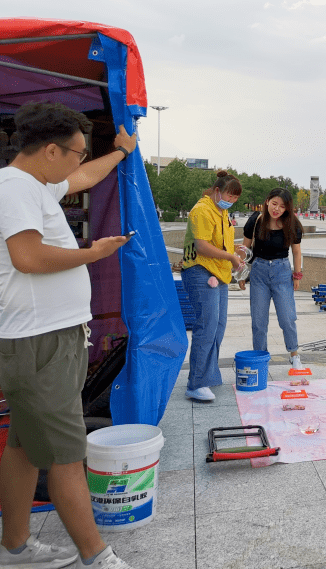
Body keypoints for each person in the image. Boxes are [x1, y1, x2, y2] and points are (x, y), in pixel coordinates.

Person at [0, 102, 136, 568]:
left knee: (23, 447)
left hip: (44, 338)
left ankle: (14, 546)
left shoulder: (34, 183)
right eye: (77, 152)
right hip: (39, 341)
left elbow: (82, 180)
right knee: (65, 454)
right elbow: (29, 257)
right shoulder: (15, 188)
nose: (80, 160)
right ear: (51, 150)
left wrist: (119, 153)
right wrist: (93, 253)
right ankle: (96, 556)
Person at [181, 170, 243, 401]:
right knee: (206, 326)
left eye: (236, 198)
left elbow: (221, 244)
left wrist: (235, 252)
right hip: (201, 271)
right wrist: (230, 258)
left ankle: (208, 375)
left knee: (218, 326)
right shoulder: (202, 210)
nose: (232, 201)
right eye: (229, 195)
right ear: (217, 191)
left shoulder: (222, 212)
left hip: (220, 273)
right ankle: (195, 383)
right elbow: (202, 246)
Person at [241, 187, 304, 369]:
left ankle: (294, 355)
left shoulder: (291, 224)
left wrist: (297, 275)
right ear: (267, 201)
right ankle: (261, 358)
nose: (276, 209)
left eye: (282, 206)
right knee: (259, 321)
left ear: (287, 209)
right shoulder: (255, 220)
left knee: (287, 318)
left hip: (282, 271)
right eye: (274, 203)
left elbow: (297, 252)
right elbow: (245, 251)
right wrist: (242, 275)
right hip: (259, 271)